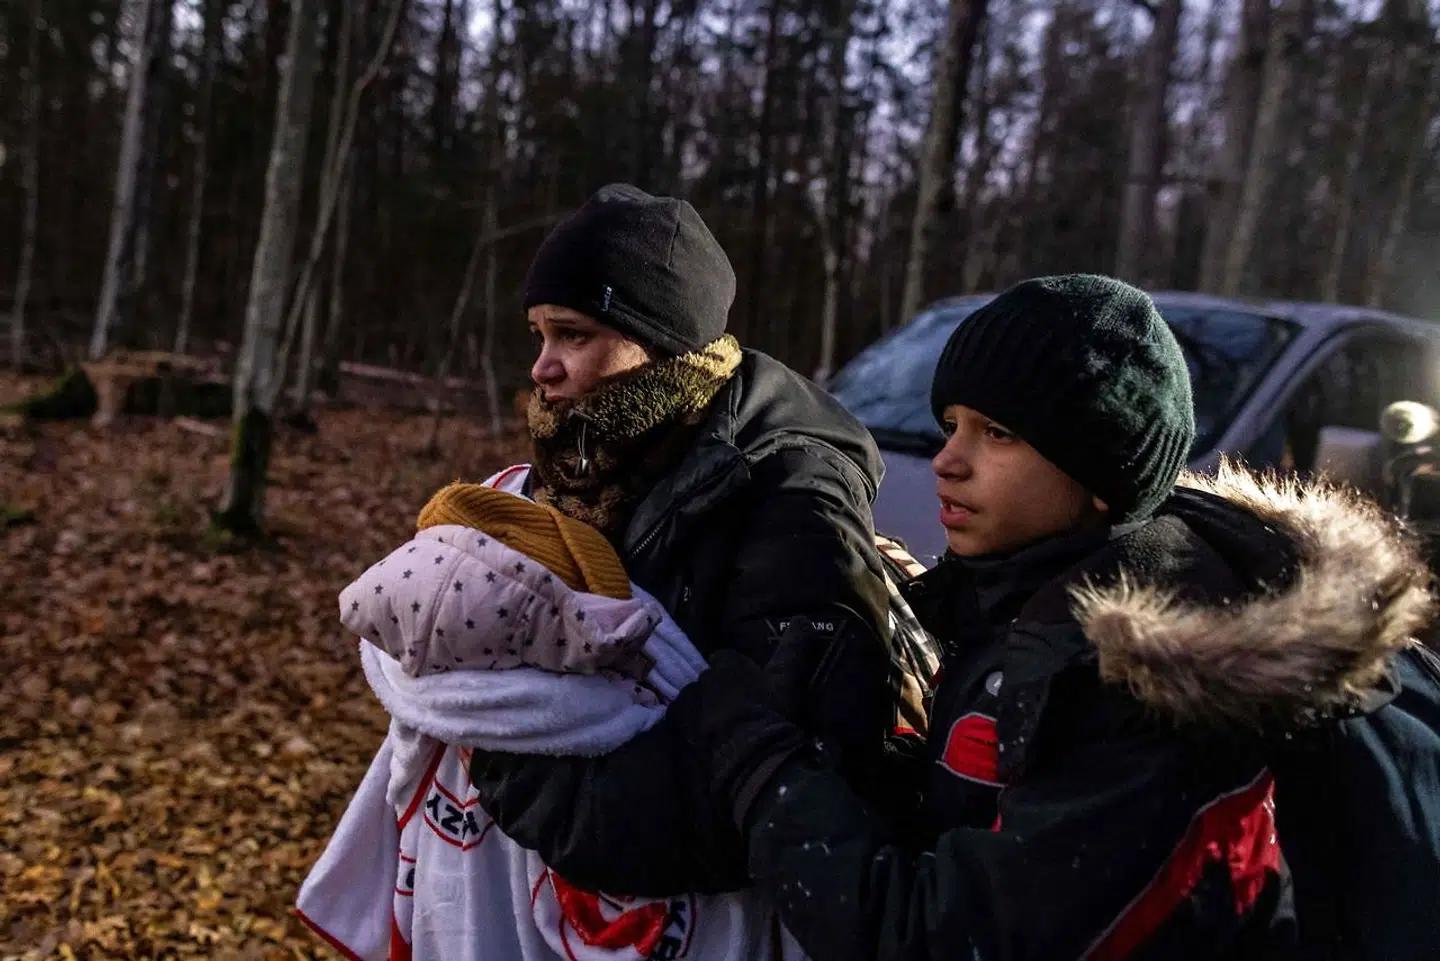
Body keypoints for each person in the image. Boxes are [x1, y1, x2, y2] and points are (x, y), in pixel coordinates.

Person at [677, 274, 1436, 961]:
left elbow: (942, 941)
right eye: (951, 423)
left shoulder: (1156, 683)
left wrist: (757, 761)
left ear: (1101, 472)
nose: (948, 459)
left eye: (996, 433)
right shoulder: (1035, 591)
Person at [462, 182, 905, 898]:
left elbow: (767, 787)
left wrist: (501, 757)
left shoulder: (791, 499)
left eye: (573, 334)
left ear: (663, 341)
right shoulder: (589, 466)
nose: (543, 367)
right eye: (538, 334)